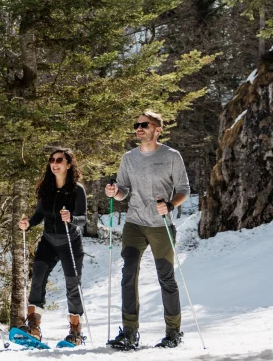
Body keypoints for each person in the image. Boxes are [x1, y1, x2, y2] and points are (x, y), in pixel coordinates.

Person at [105, 110, 190, 350]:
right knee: (128, 274)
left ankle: (173, 332)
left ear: (157, 129)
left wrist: (171, 204)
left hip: (160, 225)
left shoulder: (171, 156)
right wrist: (114, 192)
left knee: (166, 278)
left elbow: (184, 189)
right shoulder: (128, 158)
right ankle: (130, 332)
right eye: (137, 124)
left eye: (145, 124)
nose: (139, 128)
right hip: (134, 223)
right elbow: (123, 190)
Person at [18, 147, 88, 346]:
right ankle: (33, 325)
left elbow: (83, 219)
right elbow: (40, 214)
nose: (55, 163)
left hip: (70, 242)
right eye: (52, 160)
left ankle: (75, 330)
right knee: (38, 277)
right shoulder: (46, 188)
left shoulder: (77, 189)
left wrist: (71, 218)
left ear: (68, 164)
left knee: (72, 285)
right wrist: (28, 223)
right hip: (48, 240)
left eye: (59, 160)